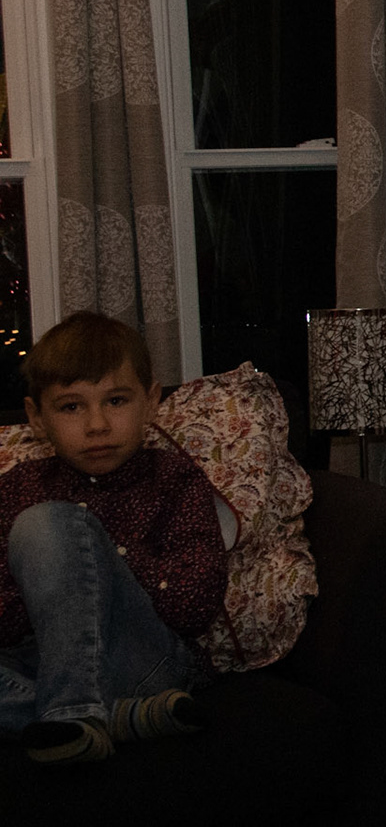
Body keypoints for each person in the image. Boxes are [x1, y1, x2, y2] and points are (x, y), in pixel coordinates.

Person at [0, 312, 227, 764]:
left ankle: (73, 712)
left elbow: (196, 602)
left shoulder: (175, 480)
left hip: (144, 662)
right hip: (40, 663)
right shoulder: (17, 488)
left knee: (48, 524)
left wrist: (96, 551)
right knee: (45, 528)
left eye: (116, 401)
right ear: (37, 418)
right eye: (71, 407)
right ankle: (114, 718)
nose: (97, 424)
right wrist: (52, 583)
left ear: (151, 401)